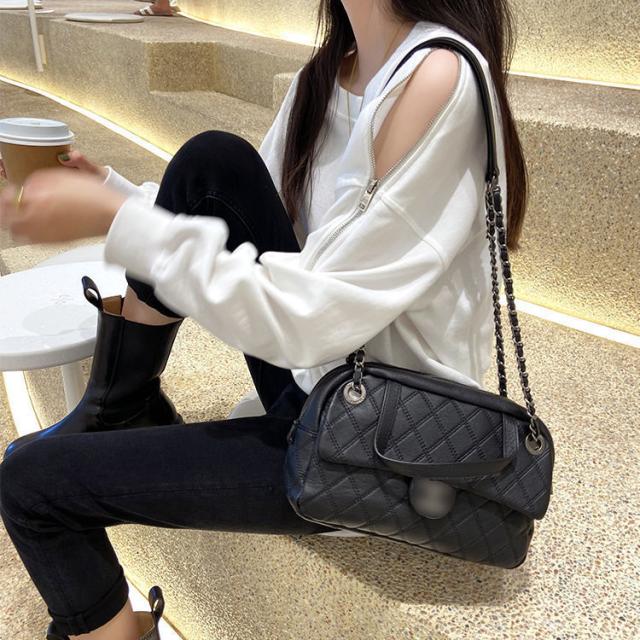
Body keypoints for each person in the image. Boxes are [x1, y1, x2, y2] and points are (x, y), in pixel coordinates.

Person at [0, 0, 528, 638]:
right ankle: (123, 405)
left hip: (383, 442)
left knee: (31, 488)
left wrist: (115, 219)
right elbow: (248, 241)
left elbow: (309, 318)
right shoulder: (328, 74)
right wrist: (110, 192)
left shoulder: (438, 78)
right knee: (213, 163)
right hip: (323, 385)